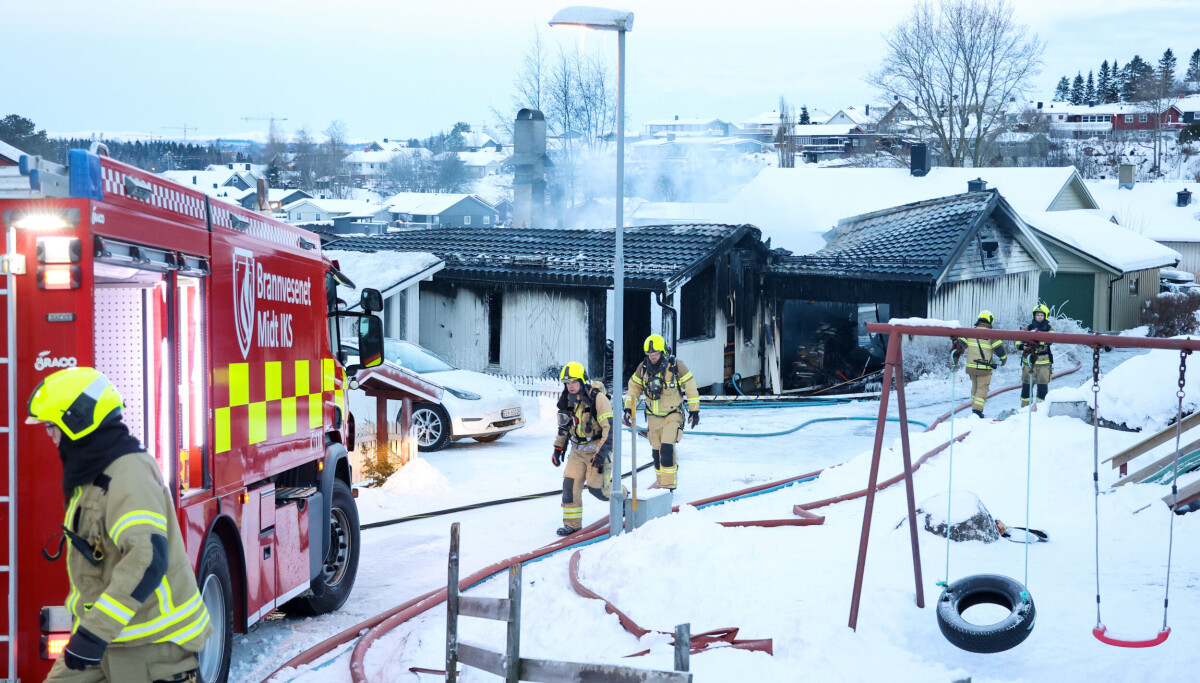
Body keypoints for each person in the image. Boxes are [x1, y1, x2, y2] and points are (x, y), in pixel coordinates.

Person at [28, 367, 211, 682]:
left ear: (77, 422)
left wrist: (93, 634)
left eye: (51, 425)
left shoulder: (128, 474)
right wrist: (91, 634)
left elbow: (148, 558)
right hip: (108, 639)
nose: (49, 435)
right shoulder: (95, 470)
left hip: (151, 644)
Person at [622, 334, 699, 491]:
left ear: (663, 352)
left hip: (673, 416)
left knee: (666, 450)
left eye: (655, 354)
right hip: (653, 417)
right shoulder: (643, 368)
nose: (652, 357)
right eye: (650, 354)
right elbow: (634, 388)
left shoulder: (676, 366)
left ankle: (668, 487)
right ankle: (661, 483)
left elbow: (690, 386)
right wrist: (629, 408)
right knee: (656, 455)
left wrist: (694, 410)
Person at [551, 362, 614, 536]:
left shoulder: (598, 399)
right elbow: (564, 427)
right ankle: (572, 525)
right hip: (577, 452)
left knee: (598, 490)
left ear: (582, 381)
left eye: (573, 382)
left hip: (596, 451)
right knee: (569, 486)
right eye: (567, 382)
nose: (570, 386)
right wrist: (558, 448)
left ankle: (622, 497)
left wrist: (601, 453)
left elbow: (610, 428)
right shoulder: (567, 400)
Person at [951, 310, 1008, 418]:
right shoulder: (992, 334)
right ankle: (977, 412)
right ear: (990, 320)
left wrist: (954, 358)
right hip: (985, 368)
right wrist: (1003, 360)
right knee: (982, 389)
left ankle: (974, 408)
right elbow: (1001, 351)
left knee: (975, 387)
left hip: (971, 367)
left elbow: (959, 346)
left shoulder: (969, 332)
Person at [1016, 304, 1054, 407]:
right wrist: (1022, 346)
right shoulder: (1028, 327)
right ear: (1034, 316)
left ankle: (1040, 409)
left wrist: (1036, 342)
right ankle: (1025, 408)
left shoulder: (1049, 329)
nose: (1039, 317)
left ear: (1045, 316)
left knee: (1042, 388)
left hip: (1044, 363)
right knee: (1026, 386)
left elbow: (1051, 340)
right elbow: (1018, 339)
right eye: (1037, 315)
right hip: (1029, 363)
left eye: (1042, 315)